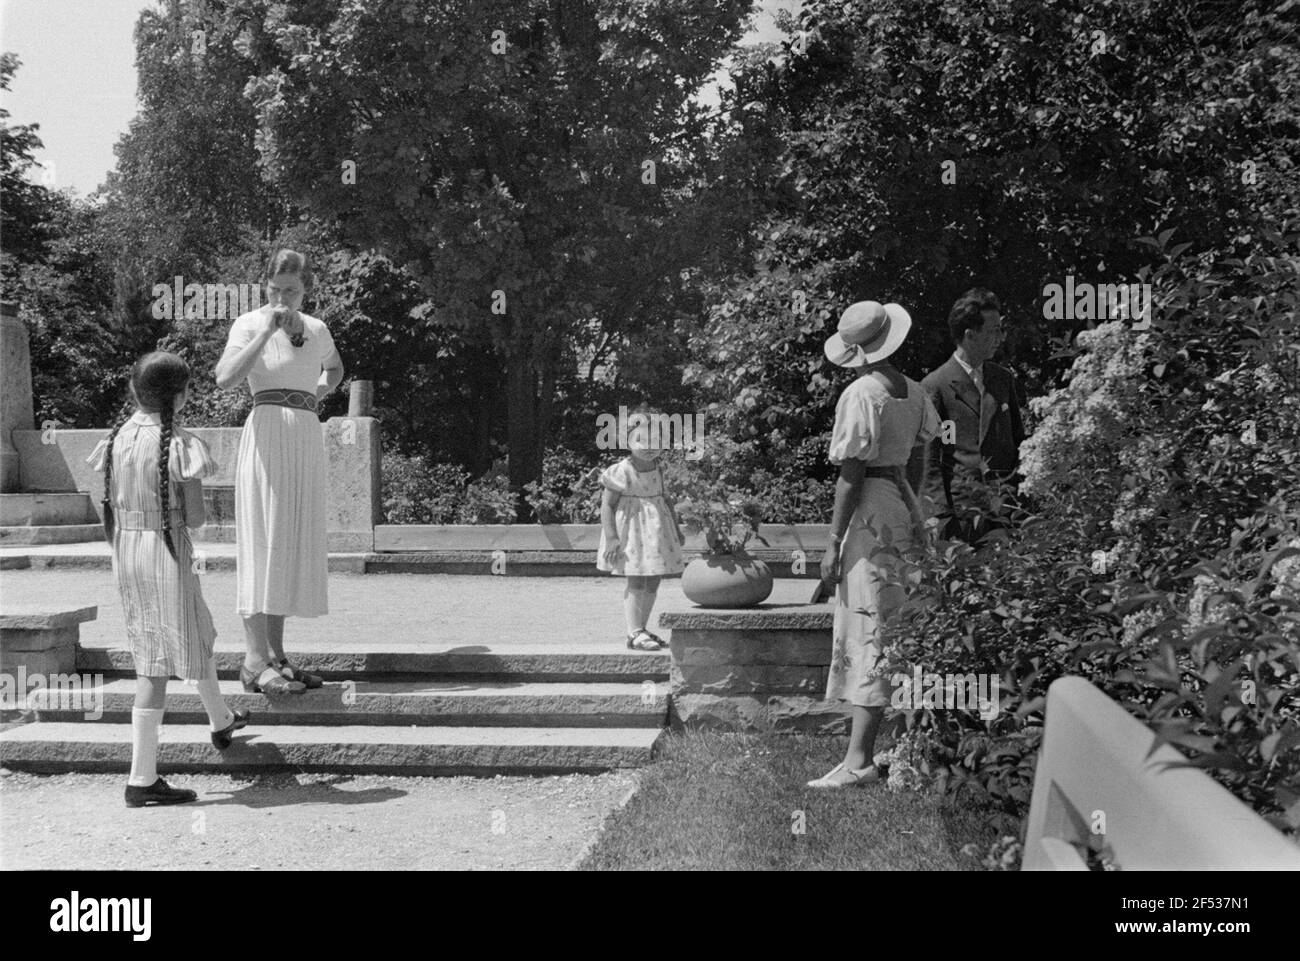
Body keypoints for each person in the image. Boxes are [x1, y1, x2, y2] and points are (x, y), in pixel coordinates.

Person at [88, 352, 250, 808]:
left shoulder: (117, 437)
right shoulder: (180, 443)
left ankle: (221, 720)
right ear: (180, 397)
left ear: (133, 391)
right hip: (168, 548)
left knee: (180, 634)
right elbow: (196, 517)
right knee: (156, 663)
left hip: (129, 550)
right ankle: (141, 778)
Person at [809, 301, 939, 789]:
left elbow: (850, 473)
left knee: (872, 626)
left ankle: (859, 760)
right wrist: (914, 500)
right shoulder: (916, 391)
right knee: (900, 624)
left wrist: (833, 540)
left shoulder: (862, 392)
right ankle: (909, 749)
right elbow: (921, 453)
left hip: (870, 509)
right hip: (902, 505)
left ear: (856, 351)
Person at [214, 249, 345, 694]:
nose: (283, 298)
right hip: (267, 431)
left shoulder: (317, 328)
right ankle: (252, 659)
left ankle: (276, 654)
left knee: (287, 541)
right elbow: (225, 378)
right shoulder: (249, 323)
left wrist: (314, 397)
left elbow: (335, 368)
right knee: (262, 538)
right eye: (275, 290)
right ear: (265, 287)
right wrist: (267, 330)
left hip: (305, 435)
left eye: (291, 290)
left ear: (306, 289)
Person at [915, 288, 1025, 545]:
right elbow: (930, 459)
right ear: (970, 335)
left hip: (1005, 511)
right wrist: (939, 516)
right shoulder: (936, 385)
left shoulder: (1002, 379)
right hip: (961, 516)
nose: (1000, 337)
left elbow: (1019, 443)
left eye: (1001, 329)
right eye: (993, 330)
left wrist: (1020, 502)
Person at [596, 412, 685, 651]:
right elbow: (608, 505)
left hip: (656, 531)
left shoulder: (659, 469)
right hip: (632, 532)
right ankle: (634, 631)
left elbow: (666, 500)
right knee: (636, 579)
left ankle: (641, 629)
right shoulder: (620, 470)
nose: (649, 447)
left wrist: (676, 529)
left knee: (653, 579)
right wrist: (613, 538)